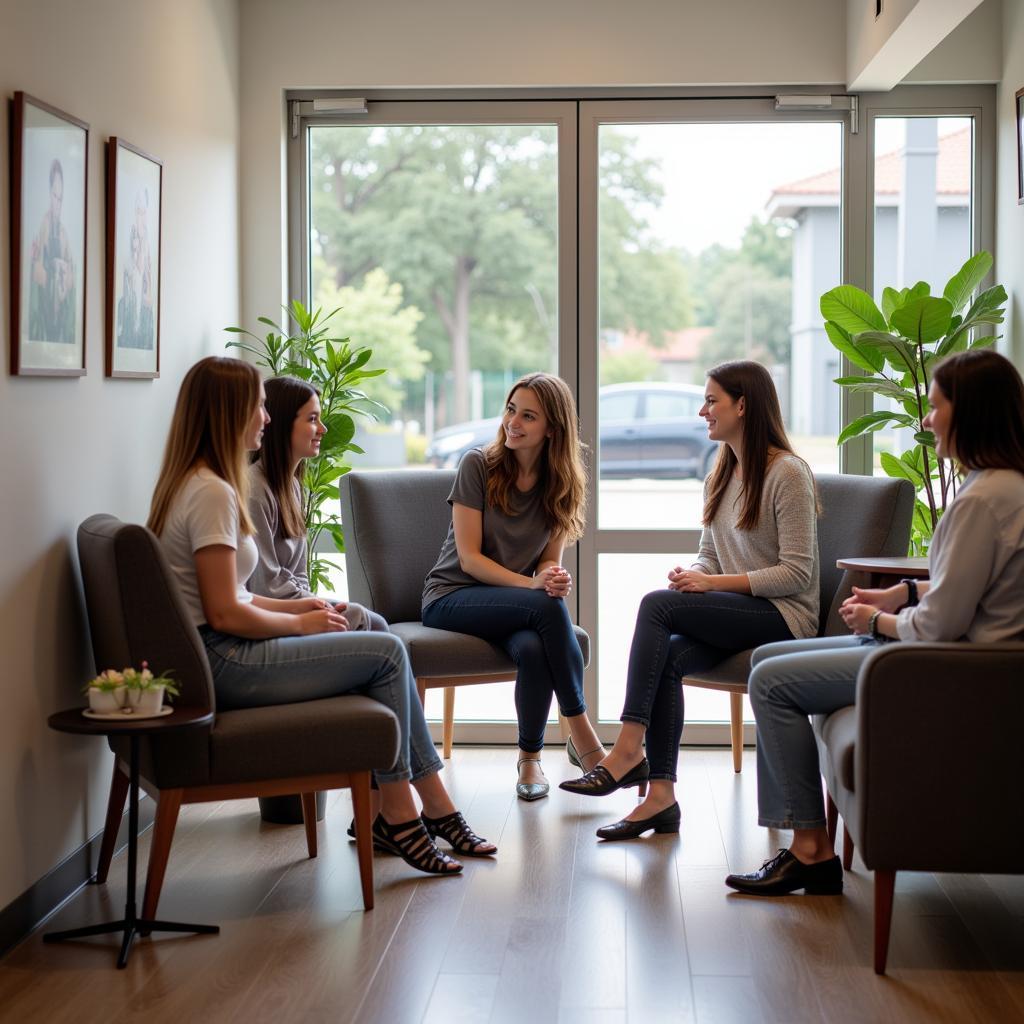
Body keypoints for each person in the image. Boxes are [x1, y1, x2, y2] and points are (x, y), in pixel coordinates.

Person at [148, 356, 495, 875]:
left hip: (219, 652)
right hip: (223, 662)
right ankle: (408, 814)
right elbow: (223, 612)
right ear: (229, 412)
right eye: (258, 407)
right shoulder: (215, 494)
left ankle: (406, 814)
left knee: (383, 645)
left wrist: (302, 607)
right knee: (387, 654)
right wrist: (297, 622)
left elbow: (236, 596)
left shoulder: (202, 485)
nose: (264, 418)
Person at [726, 348, 1024, 897]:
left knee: (770, 679)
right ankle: (799, 832)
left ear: (971, 412)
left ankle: (810, 851)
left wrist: (875, 620)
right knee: (768, 658)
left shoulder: (982, 501)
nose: (926, 419)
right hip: (960, 654)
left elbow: (937, 627)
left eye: (936, 407)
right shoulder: (1004, 488)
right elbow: (982, 588)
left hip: (946, 664)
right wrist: (906, 590)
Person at [561, 361, 820, 842]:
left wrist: (714, 586)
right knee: (671, 655)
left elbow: (797, 573)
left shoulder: (788, 473)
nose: (702, 411)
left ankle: (627, 750)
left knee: (657, 606)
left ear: (742, 405)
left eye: (711, 400)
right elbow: (708, 555)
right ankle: (661, 798)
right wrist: (695, 575)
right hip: (745, 613)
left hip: (786, 618)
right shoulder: (721, 475)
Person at [421, 371, 605, 801]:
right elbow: (469, 559)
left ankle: (529, 761)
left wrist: (552, 577)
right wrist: (533, 586)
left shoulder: (563, 482)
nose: (512, 423)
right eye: (510, 410)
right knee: (543, 606)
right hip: (451, 597)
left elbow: (547, 558)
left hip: (513, 605)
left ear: (552, 429)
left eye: (527, 416)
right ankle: (585, 738)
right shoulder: (477, 465)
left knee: (536, 646)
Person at [248, 375, 387, 633]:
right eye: (312, 419)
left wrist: (318, 605)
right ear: (281, 424)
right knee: (368, 622)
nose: (323, 428)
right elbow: (265, 586)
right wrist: (317, 608)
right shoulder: (254, 491)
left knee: (369, 620)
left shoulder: (293, 487)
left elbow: (299, 575)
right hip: (270, 616)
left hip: (292, 605)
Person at [29, 158, 76, 343]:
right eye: (55, 196)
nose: (58, 203)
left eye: (61, 198)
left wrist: (64, 273)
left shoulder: (63, 234)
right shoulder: (42, 227)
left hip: (60, 316)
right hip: (44, 314)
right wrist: (53, 273)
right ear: (49, 194)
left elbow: (72, 276)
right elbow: (35, 272)